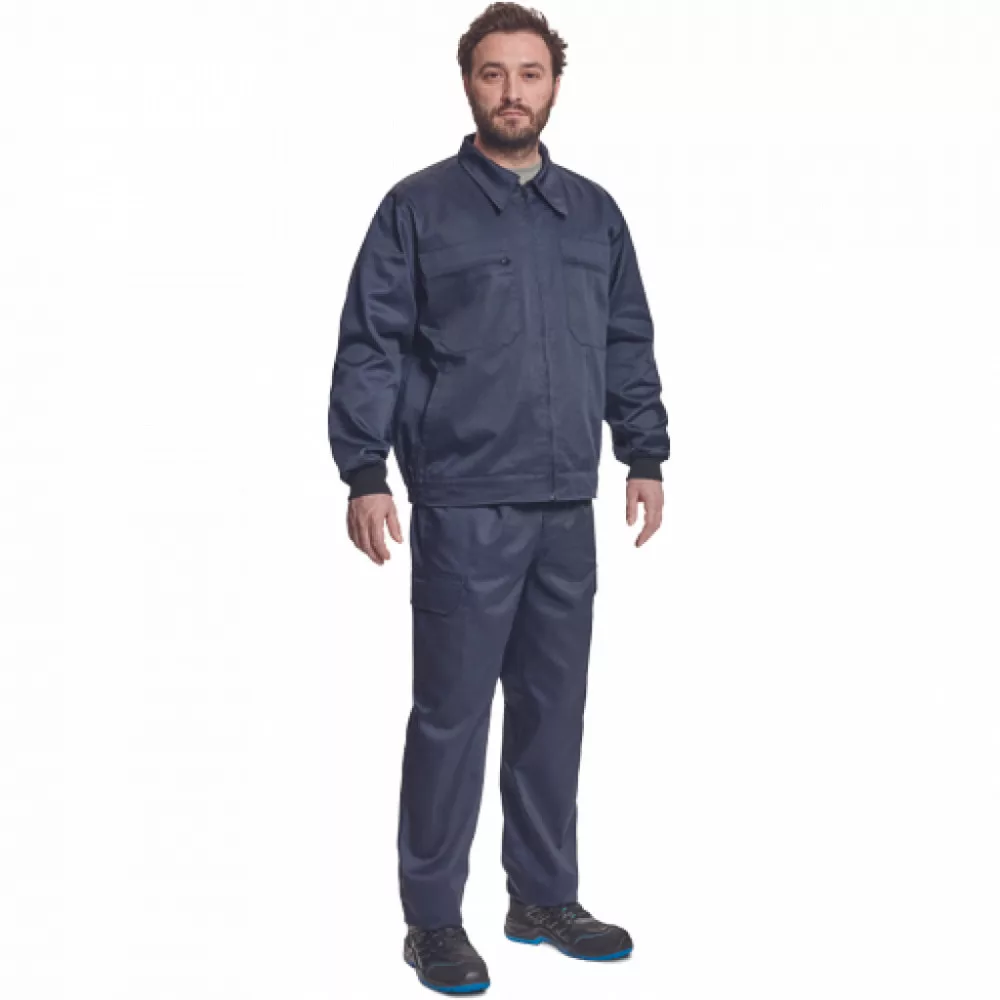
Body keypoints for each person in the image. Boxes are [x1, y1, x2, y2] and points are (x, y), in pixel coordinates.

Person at [328, 3, 669, 993]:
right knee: (452, 716)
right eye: (492, 73)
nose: (512, 91)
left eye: (529, 72)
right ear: (468, 83)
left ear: (554, 84)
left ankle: (543, 897)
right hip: (464, 498)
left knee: (554, 711)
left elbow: (626, 338)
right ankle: (433, 919)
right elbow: (372, 343)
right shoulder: (418, 209)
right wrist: (364, 472)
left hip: (565, 500)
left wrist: (643, 453)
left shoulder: (593, 214)